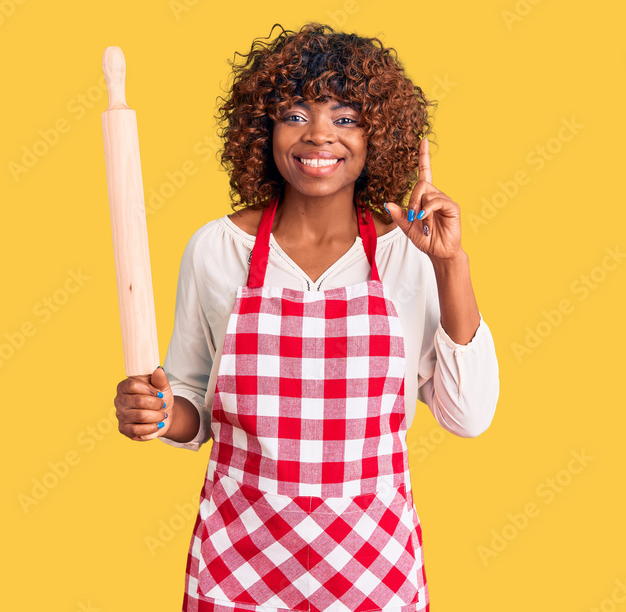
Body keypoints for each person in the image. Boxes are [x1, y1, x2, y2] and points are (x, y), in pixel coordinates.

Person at [112, 22, 499, 612]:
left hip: (373, 571)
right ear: (262, 129)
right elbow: (192, 403)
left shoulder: (406, 255)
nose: (319, 135)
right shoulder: (217, 250)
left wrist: (450, 265)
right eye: (295, 114)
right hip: (239, 567)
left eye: (345, 118)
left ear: (379, 135)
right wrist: (159, 414)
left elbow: (467, 416)